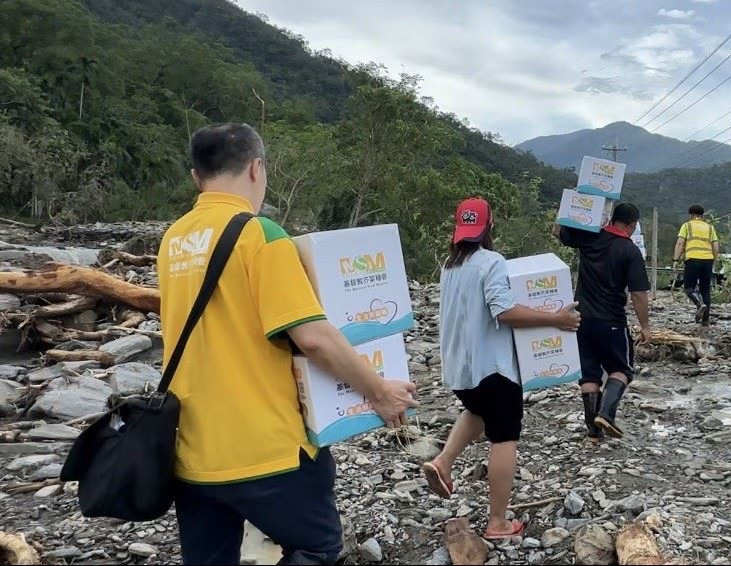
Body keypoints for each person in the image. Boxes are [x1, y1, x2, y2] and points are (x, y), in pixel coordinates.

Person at [158, 123, 418, 565]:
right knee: (319, 547)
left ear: (196, 177)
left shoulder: (174, 239)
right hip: (266, 448)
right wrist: (379, 391)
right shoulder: (260, 235)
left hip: (192, 450)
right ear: (256, 168)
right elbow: (313, 337)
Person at [422, 198, 581, 540]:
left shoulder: (450, 266)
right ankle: (497, 522)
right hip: (493, 368)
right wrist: (555, 318)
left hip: (460, 369)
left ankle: (443, 462)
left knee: (477, 411)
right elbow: (504, 311)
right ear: (489, 227)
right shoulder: (491, 262)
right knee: (505, 437)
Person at [555, 203, 651, 439]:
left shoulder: (591, 237)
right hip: (612, 321)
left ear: (612, 219)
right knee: (621, 369)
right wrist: (645, 326)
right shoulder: (630, 251)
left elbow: (557, 231)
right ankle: (606, 414)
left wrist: (572, 206)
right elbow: (638, 294)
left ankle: (594, 432)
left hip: (580, 320)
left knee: (589, 375)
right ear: (632, 225)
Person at [674, 205, 720, 325]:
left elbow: (680, 243)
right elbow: (716, 247)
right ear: (702, 216)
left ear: (691, 215)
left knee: (689, 287)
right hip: (707, 261)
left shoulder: (687, 226)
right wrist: (714, 260)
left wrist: (675, 260)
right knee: (705, 290)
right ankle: (705, 321)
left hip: (692, 260)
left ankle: (699, 303)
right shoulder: (710, 228)